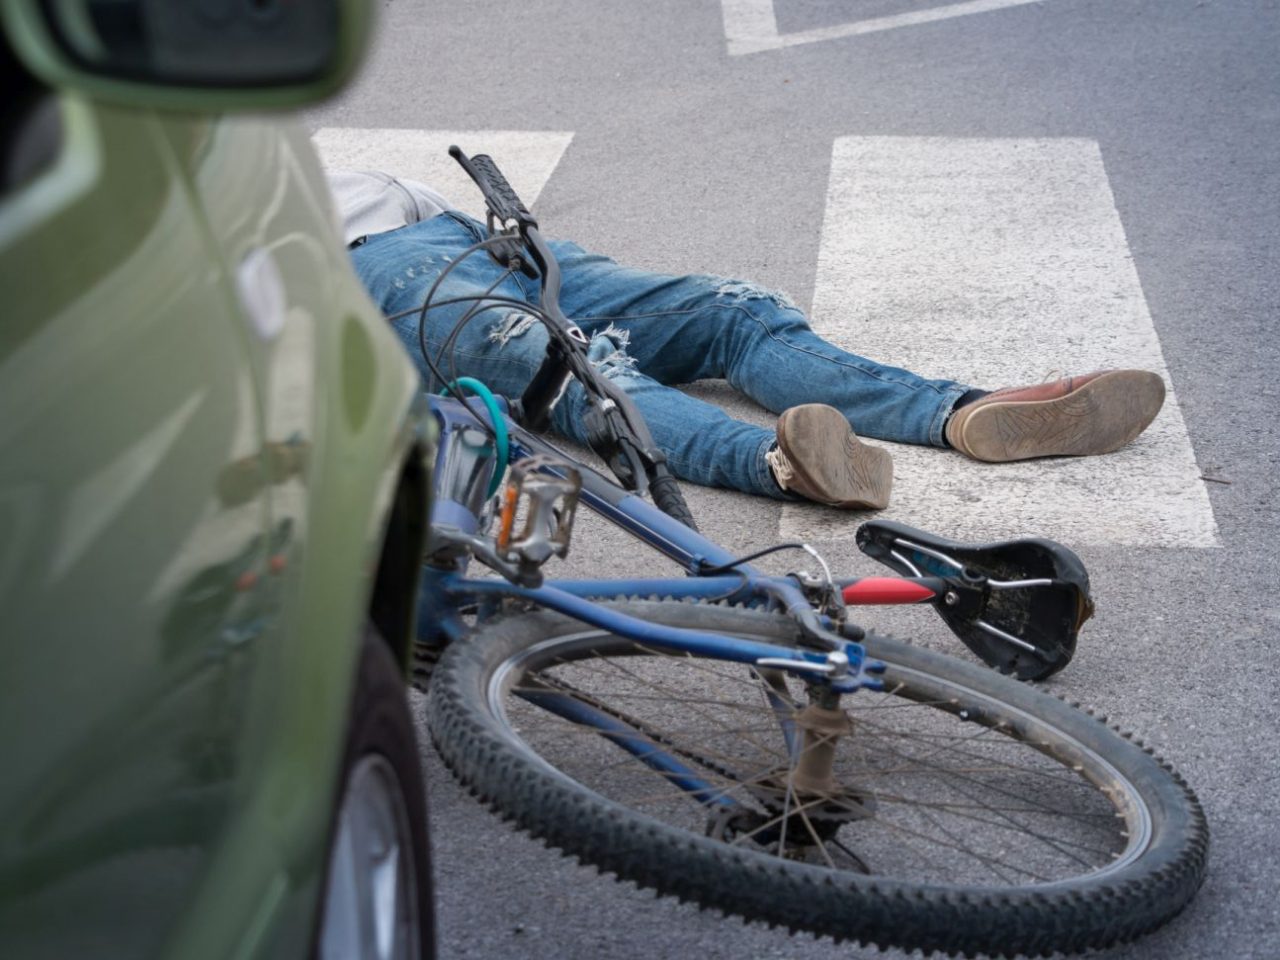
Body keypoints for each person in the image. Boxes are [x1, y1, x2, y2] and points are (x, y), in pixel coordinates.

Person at [330, 169, 1166, 510]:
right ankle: (782, 465)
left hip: (480, 237)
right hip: (376, 276)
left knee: (730, 308)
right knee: (584, 371)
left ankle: (960, 412)